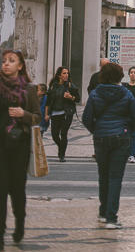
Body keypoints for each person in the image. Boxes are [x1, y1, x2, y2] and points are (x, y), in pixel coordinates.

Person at [83, 61, 135, 229]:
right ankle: (111, 217)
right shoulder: (126, 93)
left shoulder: (95, 94)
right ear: (119, 76)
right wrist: (127, 129)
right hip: (121, 138)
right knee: (115, 177)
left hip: (101, 138)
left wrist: (97, 130)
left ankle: (103, 212)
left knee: (103, 176)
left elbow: (86, 118)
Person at [0, 49, 41, 248]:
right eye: (4, 60)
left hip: (20, 145)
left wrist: (22, 113)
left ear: (20, 65)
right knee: (1, 189)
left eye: (11, 60)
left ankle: (19, 223)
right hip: (0, 144)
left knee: (17, 189)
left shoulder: (30, 89)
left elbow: (37, 118)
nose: (6, 64)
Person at [46, 66, 80, 161]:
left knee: (64, 133)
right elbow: (48, 101)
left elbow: (77, 99)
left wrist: (70, 97)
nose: (66, 75)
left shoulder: (70, 86)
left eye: (67, 73)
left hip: (66, 113)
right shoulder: (53, 86)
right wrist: (46, 114)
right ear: (59, 75)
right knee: (54, 134)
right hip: (55, 113)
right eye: (64, 73)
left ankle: (62, 155)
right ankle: (61, 147)